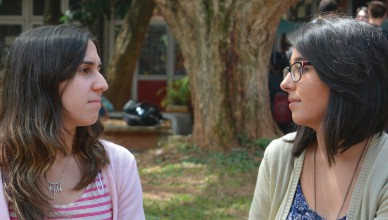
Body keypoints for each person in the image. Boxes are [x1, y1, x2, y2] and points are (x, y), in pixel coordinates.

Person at [249, 16, 388, 220]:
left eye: (300, 68)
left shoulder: (383, 169)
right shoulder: (279, 157)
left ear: (345, 75)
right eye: (289, 69)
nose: (285, 83)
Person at [0, 25, 145, 219]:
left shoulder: (117, 164)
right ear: (44, 78)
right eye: (85, 70)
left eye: (98, 69)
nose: (103, 84)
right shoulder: (5, 169)